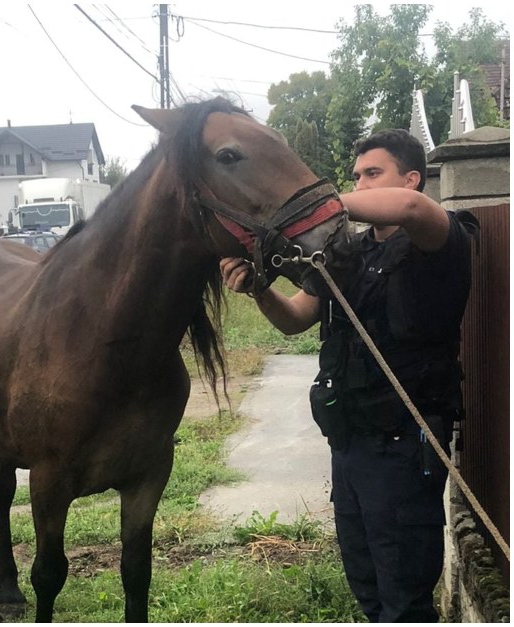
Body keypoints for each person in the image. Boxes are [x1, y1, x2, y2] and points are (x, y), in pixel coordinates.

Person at [221, 128, 476, 622]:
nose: (359, 186)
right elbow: (296, 318)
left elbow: (411, 211)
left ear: (411, 179)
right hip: (350, 446)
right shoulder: (348, 256)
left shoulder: (439, 241)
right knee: (368, 587)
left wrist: (311, 204)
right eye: (356, 176)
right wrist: (258, 291)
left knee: (404, 599)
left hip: (405, 449)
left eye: (372, 174)